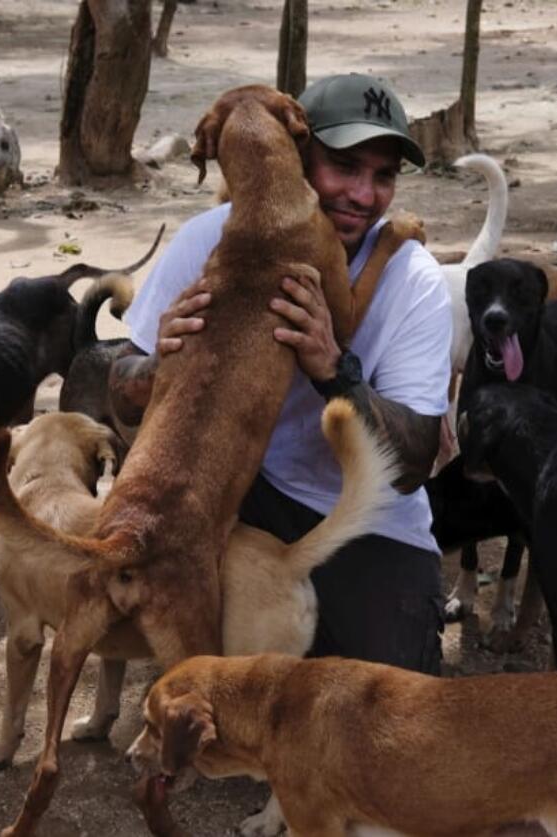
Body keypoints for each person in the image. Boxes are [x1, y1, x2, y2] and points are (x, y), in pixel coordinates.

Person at [110, 73, 452, 674]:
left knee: (380, 718)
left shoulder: (412, 277)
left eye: (384, 176)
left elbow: (414, 464)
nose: (363, 195)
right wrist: (157, 365)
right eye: (344, 166)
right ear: (295, 153)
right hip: (249, 494)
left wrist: (333, 370)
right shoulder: (209, 240)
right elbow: (114, 393)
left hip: (366, 518)